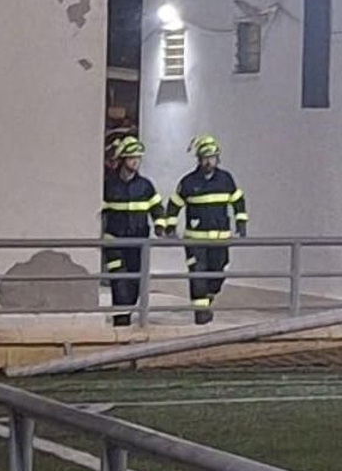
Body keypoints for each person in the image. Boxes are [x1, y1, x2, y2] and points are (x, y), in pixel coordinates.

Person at [164, 135, 247, 325]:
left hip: (220, 239)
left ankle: (208, 299)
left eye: (213, 158)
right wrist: (170, 226)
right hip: (195, 240)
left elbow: (238, 201)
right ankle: (201, 313)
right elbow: (174, 204)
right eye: (206, 158)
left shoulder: (226, 179)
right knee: (198, 274)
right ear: (199, 159)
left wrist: (241, 223)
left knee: (218, 273)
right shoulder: (189, 182)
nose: (209, 162)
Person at [101, 136, 162, 327]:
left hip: (138, 244)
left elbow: (157, 208)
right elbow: (99, 211)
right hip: (115, 243)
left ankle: (126, 314)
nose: (135, 161)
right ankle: (121, 323)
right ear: (122, 159)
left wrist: (161, 225)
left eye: (138, 158)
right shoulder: (109, 185)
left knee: (135, 285)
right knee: (119, 284)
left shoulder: (145, 186)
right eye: (131, 157)